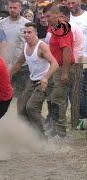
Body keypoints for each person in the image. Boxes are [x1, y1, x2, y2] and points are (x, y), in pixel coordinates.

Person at [11, 22, 59, 137]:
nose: (26, 35)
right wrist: (6, 76)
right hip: (33, 81)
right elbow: (18, 64)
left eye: (29, 32)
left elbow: (55, 63)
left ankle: (43, 136)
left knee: (31, 107)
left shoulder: (42, 46)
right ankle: (33, 134)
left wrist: (46, 78)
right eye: (25, 32)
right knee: (22, 110)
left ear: (36, 33)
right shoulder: (26, 46)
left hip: (46, 81)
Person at [45, 5, 76, 138]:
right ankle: (56, 128)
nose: (46, 19)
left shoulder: (61, 27)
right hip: (56, 67)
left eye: (48, 16)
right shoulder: (55, 27)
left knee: (58, 98)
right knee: (54, 97)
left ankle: (61, 132)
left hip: (63, 67)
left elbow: (67, 49)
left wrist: (65, 72)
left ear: (57, 14)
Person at [0, 0, 30, 98]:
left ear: (20, 8)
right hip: (5, 66)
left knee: (21, 96)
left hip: (22, 66)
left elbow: (31, 44)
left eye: (15, 8)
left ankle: (19, 113)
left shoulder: (27, 24)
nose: (12, 10)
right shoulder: (1, 23)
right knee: (5, 96)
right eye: (10, 7)